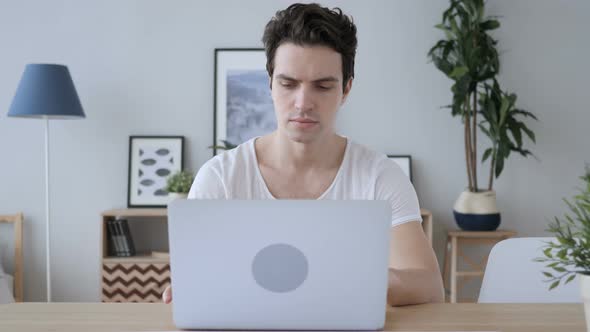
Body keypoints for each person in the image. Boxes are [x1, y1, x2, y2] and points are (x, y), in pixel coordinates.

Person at [163, 2, 443, 306]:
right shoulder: (220, 177)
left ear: (346, 89)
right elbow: (195, 286)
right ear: (270, 83)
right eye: (288, 84)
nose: (302, 103)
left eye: (322, 86)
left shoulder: (380, 177)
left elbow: (429, 287)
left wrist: (359, 278)